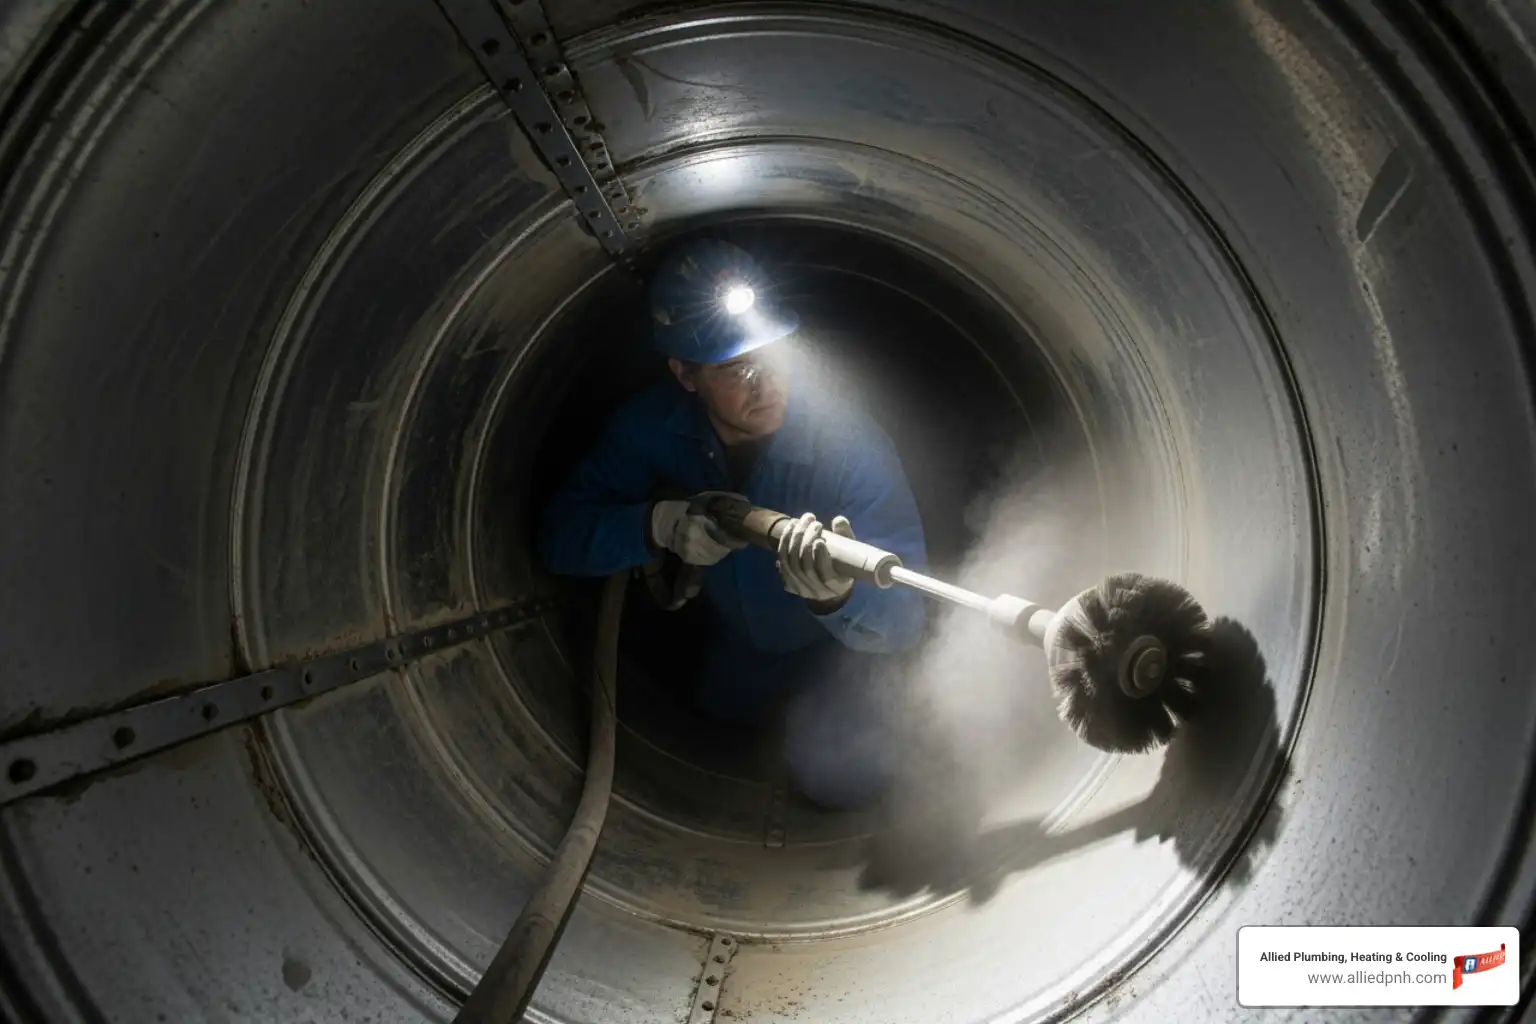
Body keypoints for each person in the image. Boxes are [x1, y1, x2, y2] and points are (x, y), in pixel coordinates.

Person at [537, 238, 929, 809]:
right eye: (735, 367)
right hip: (742, 652)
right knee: (710, 729)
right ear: (685, 374)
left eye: (772, 355)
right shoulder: (652, 428)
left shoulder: (849, 444)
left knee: (838, 774)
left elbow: (908, 621)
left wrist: (838, 597)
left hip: (838, 653)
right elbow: (559, 537)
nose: (765, 385)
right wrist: (656, 526)